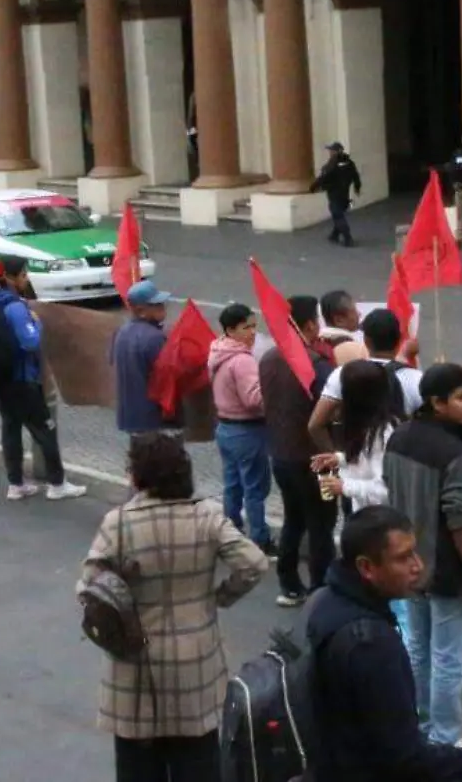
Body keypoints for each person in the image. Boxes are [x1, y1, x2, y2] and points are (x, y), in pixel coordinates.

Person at [77, 432, 267, 780]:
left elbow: (88, 589)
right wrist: (220, 596)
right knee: (197, 759)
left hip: (135, 659)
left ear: (137, 476)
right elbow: (253, 563)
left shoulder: (118, 523)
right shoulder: (206, 517)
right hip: (195, 657)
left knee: (138, 765)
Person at [307, 506, 462, 781]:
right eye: (403, 558)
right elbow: (404, 756)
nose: (417, 566)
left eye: (414, 553)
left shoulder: (322, 601)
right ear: (366, 567)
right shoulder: (370, 643)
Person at [383, 362, 462, 746]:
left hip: (408, 565)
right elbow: (461, 519)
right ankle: (444, 738)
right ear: (436, 402)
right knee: (448, 660)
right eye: (460, 397)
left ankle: (419, 728)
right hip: (445, 570)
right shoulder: (454, 452)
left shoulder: (399, 438)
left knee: (417, 650)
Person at [0, 256, 82, 496]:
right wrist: (37, 323)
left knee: (11, 428)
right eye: (24, 275)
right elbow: (31, 341)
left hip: (1, 379)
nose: (26, 279)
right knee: (45, 430)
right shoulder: (16, 307)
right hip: (22, 380)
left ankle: (16, 484)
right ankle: (57, 484)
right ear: (11, 277)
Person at [261, 293, 335, 606]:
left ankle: (289, 584)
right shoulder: (317, 366)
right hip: (318, 461)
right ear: (308, 324)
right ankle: (321, 588)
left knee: (294, 520)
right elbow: (332, 412)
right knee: (322, 524)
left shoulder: (268, 358)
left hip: (280, 456)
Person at [308, 308, 423, 449]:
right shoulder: (416, 379)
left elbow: (315, 425)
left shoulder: (343, 374)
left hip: (356, 463)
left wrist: (336, 457)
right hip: (397, 462)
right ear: (399, 340)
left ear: (366, 341)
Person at [210, 302, 272, 550]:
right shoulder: (242, 361)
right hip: (247, 430)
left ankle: (230, 532)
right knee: (255, 489)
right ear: (230, 329)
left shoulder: (217, 350)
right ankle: (260, 539)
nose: (253, 333)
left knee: (232, 485)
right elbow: (254, 399)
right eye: (247, 327)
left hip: (225, 428)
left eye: (255, 326)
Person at [315, 358, 401, 512]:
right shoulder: (369, 427)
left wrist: (344, 487)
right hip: (367, 515)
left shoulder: (382, 434)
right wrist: (341, 459)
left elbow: (387, 490)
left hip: (379, 521)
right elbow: (366, 462)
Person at [110, 279, 172, 436]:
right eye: (156, 304)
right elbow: (168, 375)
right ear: (140, 310)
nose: (162, 307)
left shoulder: (121, 332)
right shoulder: (154, 338)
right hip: (152, 418)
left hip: (130, 416)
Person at [311, 141, 362, 247]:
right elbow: (355, 176)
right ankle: (334, 235)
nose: (330, 152)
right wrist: (357, 188)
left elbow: (324, 176)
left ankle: (348, 238)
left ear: (335, 152)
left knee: (338, 215)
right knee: (338, 213)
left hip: (334, 194)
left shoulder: (332, 164)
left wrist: (314, 187)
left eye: (331, 150)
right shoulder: (349, 162)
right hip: (345, 194)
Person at [317, 289, 364, 360]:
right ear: (339, 320)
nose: (359, 314)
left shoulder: (317, 343)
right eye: (354, 311)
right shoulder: (353, 349)